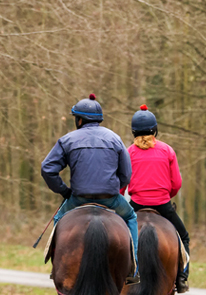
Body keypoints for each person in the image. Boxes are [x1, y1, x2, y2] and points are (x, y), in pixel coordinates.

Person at [41, 93, 139, 284]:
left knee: (60, 218)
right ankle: (134, 267)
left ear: (79, 120)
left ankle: (56, 263)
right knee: (130, 217)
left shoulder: (67, 140)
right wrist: (112, 188)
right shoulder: (115, 139)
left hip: (79, 198)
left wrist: (64, 191)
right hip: (110, 198)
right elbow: (126, 175)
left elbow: (47, 169)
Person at [125, 104, 190, 293]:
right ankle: (182, 277)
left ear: (133, 131)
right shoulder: (167, 151)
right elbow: (176, 183)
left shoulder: (128, 152)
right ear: (155, 130)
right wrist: (165, 196)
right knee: (183, 236)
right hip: (162, 204)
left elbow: (121, 182)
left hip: (136, 205)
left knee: (115, 236)